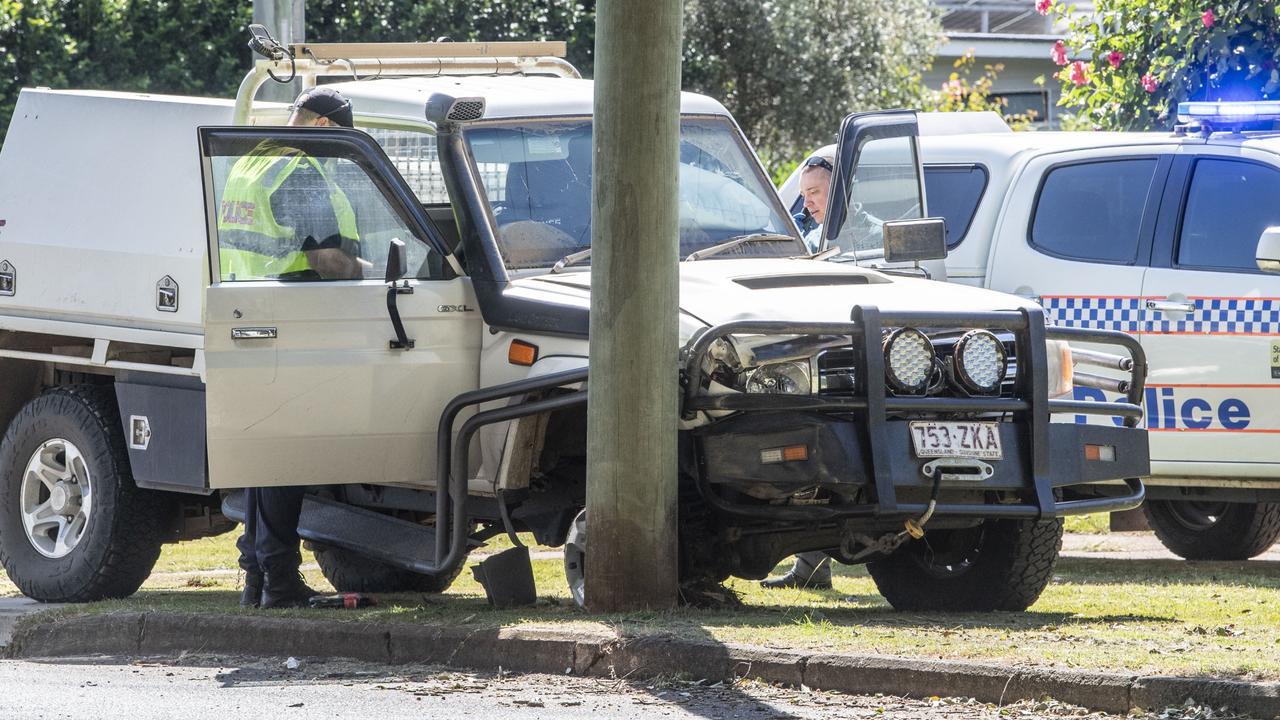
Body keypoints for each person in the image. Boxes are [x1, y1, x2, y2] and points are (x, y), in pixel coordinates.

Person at [229, 87, 360, 609]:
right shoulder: (301, 171)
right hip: (295, 318)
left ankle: (258, 579)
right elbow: (328, 259)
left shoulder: (254, 162)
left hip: (249, 314)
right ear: (326, 126)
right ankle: (278, 580)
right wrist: (366, 270)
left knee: (263, 457)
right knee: (285, 458)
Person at [796, 152, 834, 253]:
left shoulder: (877, 234)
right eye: (803, 195)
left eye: (813, 192)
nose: (806, 204)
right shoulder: (812, 242)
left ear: (835, 189)